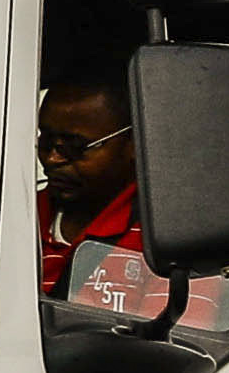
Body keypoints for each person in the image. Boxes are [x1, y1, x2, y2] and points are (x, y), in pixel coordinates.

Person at [38, 83, 175, 330]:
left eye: (75, 146)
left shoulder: (171, 237)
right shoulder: (11, 217)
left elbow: (171, 348)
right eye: (46, 141)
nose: (51, 159)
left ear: (135, 142)